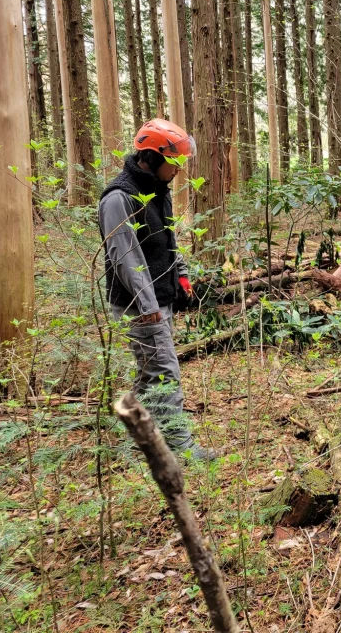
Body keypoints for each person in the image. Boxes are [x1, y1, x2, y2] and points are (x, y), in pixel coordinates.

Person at [98, 119, 217, 461]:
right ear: (151, 157)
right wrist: (147, 305)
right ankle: (181, 448)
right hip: (138, 306)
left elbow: (167, 241)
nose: (179, 169)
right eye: (174, 162)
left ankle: (131, 442)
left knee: (151, 375)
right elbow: (125, 257)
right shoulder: (119, 198)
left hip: (159, 298)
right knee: (165, 375)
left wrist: (181, 277)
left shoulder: (157, 192)